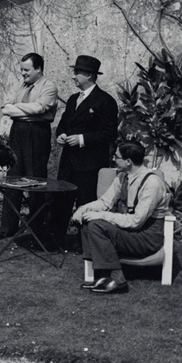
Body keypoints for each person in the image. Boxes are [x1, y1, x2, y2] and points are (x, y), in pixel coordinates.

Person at [72, 140, 170, 294]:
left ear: (128, 161)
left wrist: (102, 216)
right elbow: (105, 202)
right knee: (88, 221)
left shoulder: (152, 183)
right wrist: (83, 209)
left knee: (97, 225)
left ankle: (118, 280)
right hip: (130, 232)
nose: (113, 159)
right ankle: (102, 276)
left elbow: (136, 221)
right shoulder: (122, 177)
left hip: (146, 237)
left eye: (117, 157)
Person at [49, 55, 118, 249]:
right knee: (61, 200)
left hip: (90, 163)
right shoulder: (72, 100)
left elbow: (108, 133)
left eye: (77, 72)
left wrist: (81, 139)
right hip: (68, 160)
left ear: (88, 75)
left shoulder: (105, 101)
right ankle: (55, 241)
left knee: (86, 202)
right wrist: (61, 135)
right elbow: (63, 124)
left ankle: (87, 244)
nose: (73, 77)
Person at [0, 52, 59, 240]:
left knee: (35, 180)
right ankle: (8, 228)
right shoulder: (19, 85)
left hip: (37, 133)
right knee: (13, 178)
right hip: (18, 132)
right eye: (21, 70)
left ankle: (36, 229)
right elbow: (4, 107)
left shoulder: (49, 87)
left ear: (38, 69)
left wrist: (16, 108)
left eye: (27, 70)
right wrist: (25, 110)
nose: (23, 74)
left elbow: (40, 109)